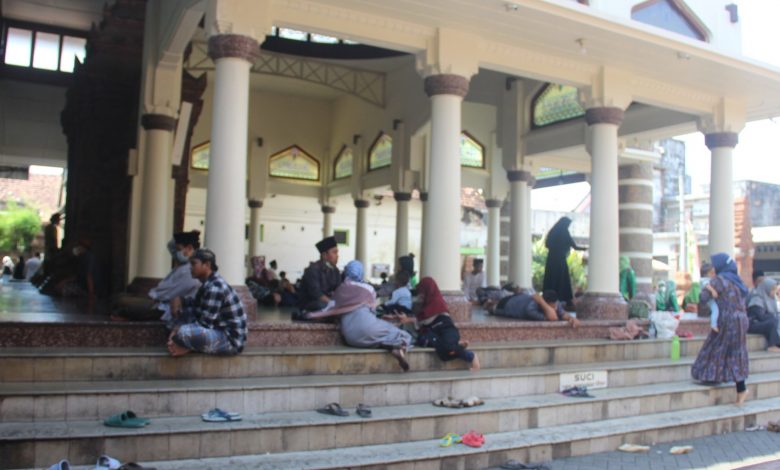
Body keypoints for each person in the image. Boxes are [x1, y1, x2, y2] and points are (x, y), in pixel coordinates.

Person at [307, 260, 413, 371]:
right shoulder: (369, 289)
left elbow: (334, 309)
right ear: (361, 272)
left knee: (373, 337)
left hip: (350, 337)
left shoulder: (340, 289)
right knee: (403, 335)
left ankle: (390, 346)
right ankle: (398, 348)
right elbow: (372, 313)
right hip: (369, 329)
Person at [691, 253, 750, 406]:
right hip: (741, 320)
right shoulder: (737, 281)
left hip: (727, 321)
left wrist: (709, 289)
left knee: (715, 347)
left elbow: (702, 298)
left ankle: (710, 375)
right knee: (736, 353)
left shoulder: (718, 281)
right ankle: (741, 390)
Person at [168, 249, 247, 357]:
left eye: (194, 263)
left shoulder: (215, 287)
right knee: (177, 317)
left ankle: (186, 347)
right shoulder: (208, 283)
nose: (191, 267)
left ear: (207, 264)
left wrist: (177, 330)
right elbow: (196, 306)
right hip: (216, 331)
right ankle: (185, 344)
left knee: (183, 332)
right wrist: (178, 299)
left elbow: (204, 323)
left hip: (230, 341)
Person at [113, 231, 202, 322]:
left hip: (165, 307)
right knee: (120, 298)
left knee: (123, 302)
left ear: (190, 248)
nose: (175, 254)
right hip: (159, 301)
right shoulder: (182, 267)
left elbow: (169, 294)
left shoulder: (190, 269)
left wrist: (152, 296)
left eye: (178, 250)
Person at [396, 277, 480, 372]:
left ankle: (471, 356)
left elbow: (427, 320)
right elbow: (421, 321)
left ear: (428, 289)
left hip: (447, 330)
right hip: (436, 333)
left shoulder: (436, 301)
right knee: (426, 342)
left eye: (423, 291)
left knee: (447, 349)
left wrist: (408, 319)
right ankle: (457, 345)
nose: (421, 294)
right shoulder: (425, 302)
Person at [542, 217, 585, 309]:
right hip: (560, 260)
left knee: (552, 279)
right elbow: (574, 246)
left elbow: (547, 244)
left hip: (551, 260)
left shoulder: (553, 232)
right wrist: (586, 249)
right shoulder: (564, 232)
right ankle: (563, 301)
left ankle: (549, 300)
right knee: (561, 280)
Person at [493, 289, 580, 327]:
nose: (555, 308)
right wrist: (544, 305)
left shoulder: (555, 303)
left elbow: (562, 313)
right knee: (492, 309)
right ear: (545, 303)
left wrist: (571, 318)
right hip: (507, 304)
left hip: (519, 298)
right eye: (552, 307)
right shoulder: (531, 307)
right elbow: (552, 317)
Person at [298, 236, 341, 312]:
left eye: (337, 252)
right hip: (312, 302)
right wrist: (331, 303)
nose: (337, 256)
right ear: (324, 255)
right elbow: (316, 293)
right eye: (334, 252)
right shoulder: (312, 269)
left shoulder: (335, 270)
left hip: (329, 302)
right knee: (322, 305)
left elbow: (338, 289)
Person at [746, 278, 780, 352]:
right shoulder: (757, 299)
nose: (774, 292)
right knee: (773, 322)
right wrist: (773, 317)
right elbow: (761, 317)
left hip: (761, 322)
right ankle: (772, 346)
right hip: (753, 324)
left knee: (775, 320)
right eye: (772, 289)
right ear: (766, 288)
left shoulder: (770, 299)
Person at [697, 263, 719, 331]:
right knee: (715, 310)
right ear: (706, 274)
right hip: (709, 299)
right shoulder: (704, 280)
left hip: (708, 299)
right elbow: (707, 285)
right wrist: (713, 291)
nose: (713, 275)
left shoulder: (705, 279)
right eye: (711, 273)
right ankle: (714, 325)